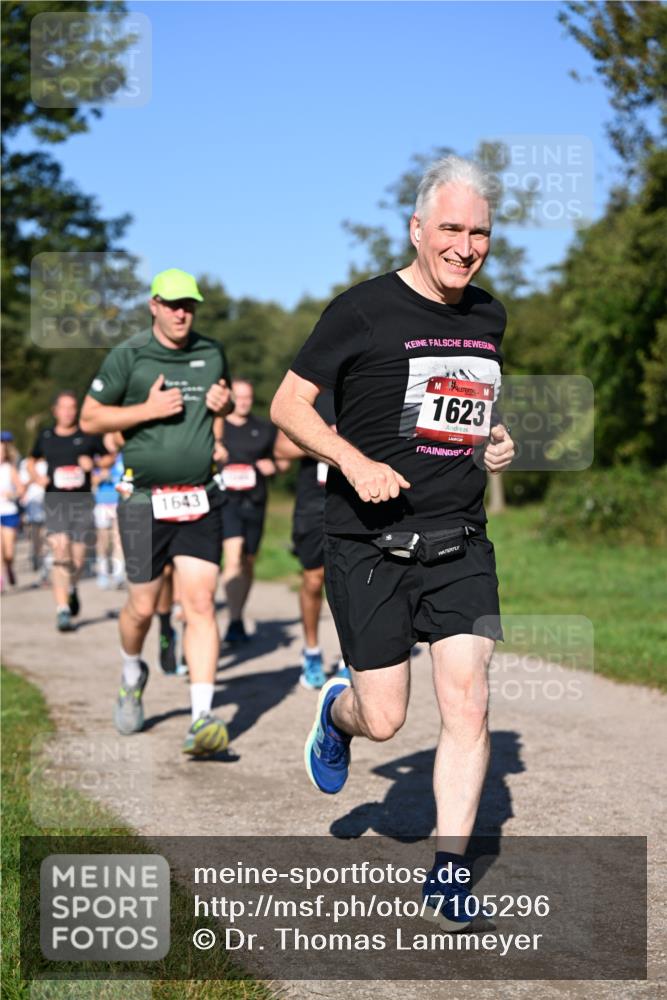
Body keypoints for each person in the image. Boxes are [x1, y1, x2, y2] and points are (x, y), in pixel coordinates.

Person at [271, 156, 515, 930]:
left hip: (459, 541)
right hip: (368, 544)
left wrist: (494, 435)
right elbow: (288, 405)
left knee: (468, 705)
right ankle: (334, 714)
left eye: (477, 232)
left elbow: (458, 408)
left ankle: (448, 874)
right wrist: (350, 458)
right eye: (450, 228)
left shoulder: (488, 317)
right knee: (385, 720)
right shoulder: (362, 310)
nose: (464, 245)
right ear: (416, 229)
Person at [80, 268, 234, 756]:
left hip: (199, 496)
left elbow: (219, 407)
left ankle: (202, 719)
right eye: (171, 304)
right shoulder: (129, 356)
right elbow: (90, 418)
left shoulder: (211, 353)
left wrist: (224, 405)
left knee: (201, 605)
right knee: (143, 607)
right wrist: (145, 410)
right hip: (144, 499)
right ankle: (132, 673)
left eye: (188, 304)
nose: (181, 312)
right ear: (153, 305)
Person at [274, 391, 348, 689]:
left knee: (350, 581)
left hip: (355, 498)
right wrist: (323, 439)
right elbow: (280, 448)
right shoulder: (313, 394)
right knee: (314, 579)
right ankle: (312, 652)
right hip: (314, 502)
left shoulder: (366, 386)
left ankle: (350, 660)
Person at [27, 392, 108, 631]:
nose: (68, 412)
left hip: (82, 501)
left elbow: (109, 458)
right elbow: (32, 460)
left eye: (72, 408)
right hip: (55, 500)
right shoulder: (46, 436)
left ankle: (72, 588)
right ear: (55, 410)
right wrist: (36, 477)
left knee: (78, 559)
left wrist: (94, 465)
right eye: (64, 408)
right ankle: (62, 610)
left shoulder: (88, 435)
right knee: (59, 549)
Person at [218, 378, 277, 644]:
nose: (243, 402)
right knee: (233, 557)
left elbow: (281, 460)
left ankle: (238, 615)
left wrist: (273, 466)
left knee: (248, 562)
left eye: (247, 398)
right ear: (230, 397)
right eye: (238, 397)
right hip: (226, 501)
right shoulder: (217, 430)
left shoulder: (263, 429)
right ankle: (233, 620)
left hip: (255, 502)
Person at [92, 433, 125, 589]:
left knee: (118, 540)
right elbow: (90, 480)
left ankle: (118, 574)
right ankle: (103, 572)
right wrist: (100, 477)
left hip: (119, 503)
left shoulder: (124, 458)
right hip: (102, 503)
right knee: (103, 542)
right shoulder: (97, 459)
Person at [0, 433, 25, 590]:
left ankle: (9, 567)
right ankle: (1, 579)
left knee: (9, 552)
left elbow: (21, 489)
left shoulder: (10, 469)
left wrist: (12, 494)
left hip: (9, 512)